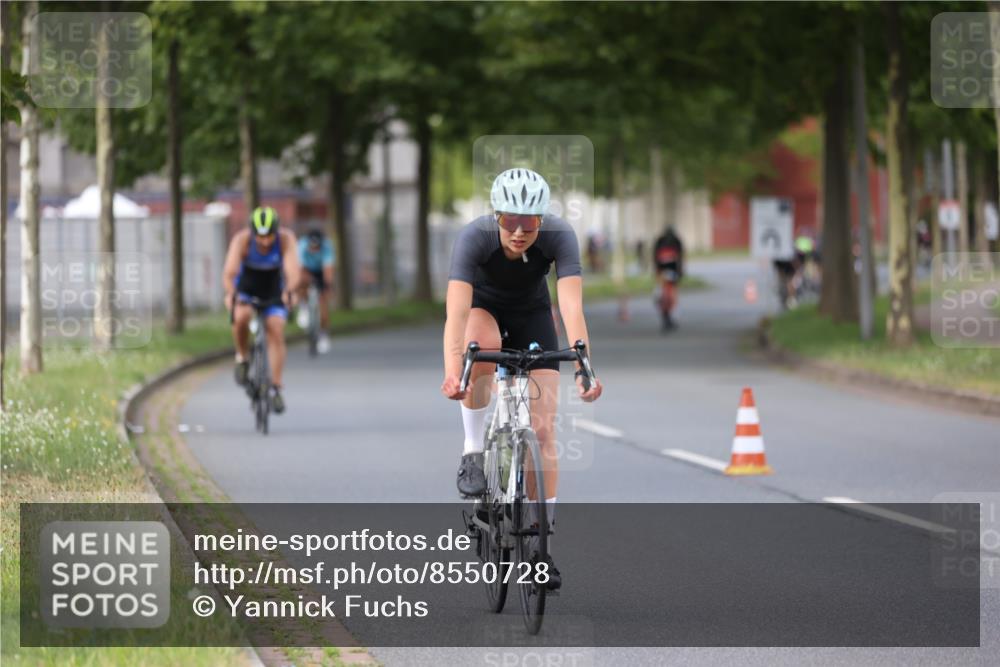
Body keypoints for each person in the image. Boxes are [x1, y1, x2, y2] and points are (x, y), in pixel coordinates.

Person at [440, 168, 603, 590]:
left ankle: (541, 545)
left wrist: (585, 367)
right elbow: (456, 313)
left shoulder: (560, 235)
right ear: (495, 216)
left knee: (543, 429)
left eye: (528, 223)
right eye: (509, 220)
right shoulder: (474, 237)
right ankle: (474, 450)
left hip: (533, 316)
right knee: (480, 349)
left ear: (541, 220)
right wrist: (451, 369)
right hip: (482, 310)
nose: (518, 232)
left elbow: (571, 308)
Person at [222, 206, 301, 414]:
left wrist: (290, 291)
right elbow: (230, 274)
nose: (265, 242)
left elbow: (293, 272)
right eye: (261, 237)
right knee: (241, 317)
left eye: (269, 237)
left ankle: (275, 387)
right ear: (253, 232)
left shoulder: (285, 239)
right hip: (247, 288)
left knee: (276, 328)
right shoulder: (242, 241)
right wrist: (233, 294)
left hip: (273, 289)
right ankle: (242, 357)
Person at [297, 226, 335, 353]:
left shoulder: (327, 247)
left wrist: (327, 286)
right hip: (305, 270)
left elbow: (328, 270)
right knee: (299, 282)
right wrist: (307, 280)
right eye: (311, 246)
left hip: (320, 271)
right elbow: (299, 269)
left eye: (316, 247)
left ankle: (323, 334)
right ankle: (303, 307)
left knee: (323, 304)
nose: (314, 249)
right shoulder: (301, 245)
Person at [652, 225, 685, 330]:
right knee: (671, 295)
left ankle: (666, 317)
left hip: (662, 272)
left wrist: (656, 271)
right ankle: (668, 317)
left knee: (663, 295)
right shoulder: (676, 241)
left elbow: (655, 257)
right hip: (673, 272)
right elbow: (680, 258)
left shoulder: (659, 241)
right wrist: (680, 271)